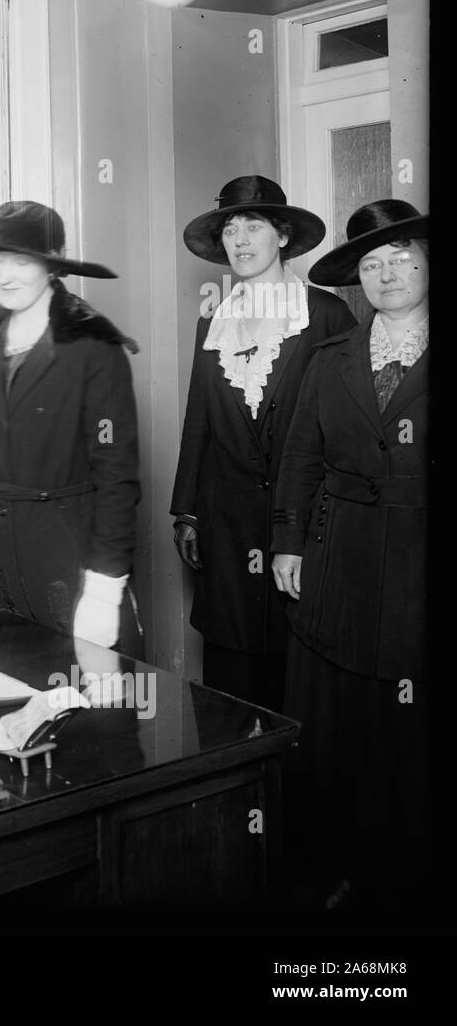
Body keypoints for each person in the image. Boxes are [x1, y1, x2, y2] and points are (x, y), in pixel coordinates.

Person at [270, 200, 429, 907]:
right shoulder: (331, 356)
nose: (387, 273)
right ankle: (340, 864)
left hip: (420, 570)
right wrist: (287, 542)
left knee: (408, 717)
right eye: (371, 264)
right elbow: (300, 453)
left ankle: (407, 869)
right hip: (338, 557)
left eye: (401, 258)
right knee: (341, 719)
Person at [0, 201, 143, 655]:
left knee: (83, 709)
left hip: (64, 563)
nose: (5, 274)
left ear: (51, 266)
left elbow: (117, 478)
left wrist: (104, 589)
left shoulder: (93, 346)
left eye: (21, 260)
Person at [171, 176, 356, 711]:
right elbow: (199, 415)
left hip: (302, 525)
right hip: (225, 520)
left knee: (298, 671)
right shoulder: (215, 316)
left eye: (254, 225)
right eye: (230, 228)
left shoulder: (324, 314)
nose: (241, 239)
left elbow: (342, 427)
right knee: (231, 679)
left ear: (282, 236)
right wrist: (187, 510)